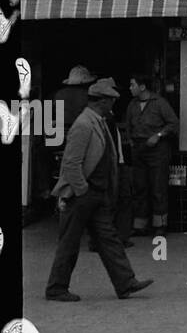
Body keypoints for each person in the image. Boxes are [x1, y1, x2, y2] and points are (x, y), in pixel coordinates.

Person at [45, 78, 153, 302]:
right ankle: (56, 288)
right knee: (69, 243)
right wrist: (82, 190)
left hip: (96, 193)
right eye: (111, 101)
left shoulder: (99, 121)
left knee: (109, 239)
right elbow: (71, 163)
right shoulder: (84, 125)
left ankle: (125, 283)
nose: (113, 105)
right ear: (101, 102)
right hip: (82, 194)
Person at [124, 74, 178, 237]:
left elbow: (173, 123)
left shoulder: (159, 103)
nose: (130, 88)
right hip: (139, 148)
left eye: (132, 85)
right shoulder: (132, 104)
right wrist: (131, 141)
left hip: (157, 149)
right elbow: (128, 124)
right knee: (140, 187)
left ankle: (160, 225)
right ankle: (140, 225)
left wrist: (159, 135)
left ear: (142, 87)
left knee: (158, 188)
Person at [39, 64, 95, 208]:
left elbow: (46, 115)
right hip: (78, 139)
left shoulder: (57, 95)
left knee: (41, 154)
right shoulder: (89, 96)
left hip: (58, 139)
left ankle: (45, 188)